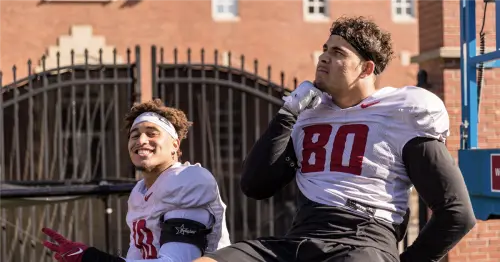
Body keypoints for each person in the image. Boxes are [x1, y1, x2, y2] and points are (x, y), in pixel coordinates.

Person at [194, 16, 476, 262]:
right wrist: (287, 114)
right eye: (325, 50)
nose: (324, 57)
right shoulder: (307, 114)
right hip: (300, 239)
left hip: (363, 240)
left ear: (366, 69)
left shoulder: (402, 112)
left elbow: (456, 213)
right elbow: (255, 185)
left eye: (338, 52)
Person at [41, 99, 231, 262]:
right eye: (135, 135)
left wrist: (92, 257)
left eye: (151, 133)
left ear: (175, 145)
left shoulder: (188, 180)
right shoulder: (139, 193)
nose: (141, 140)